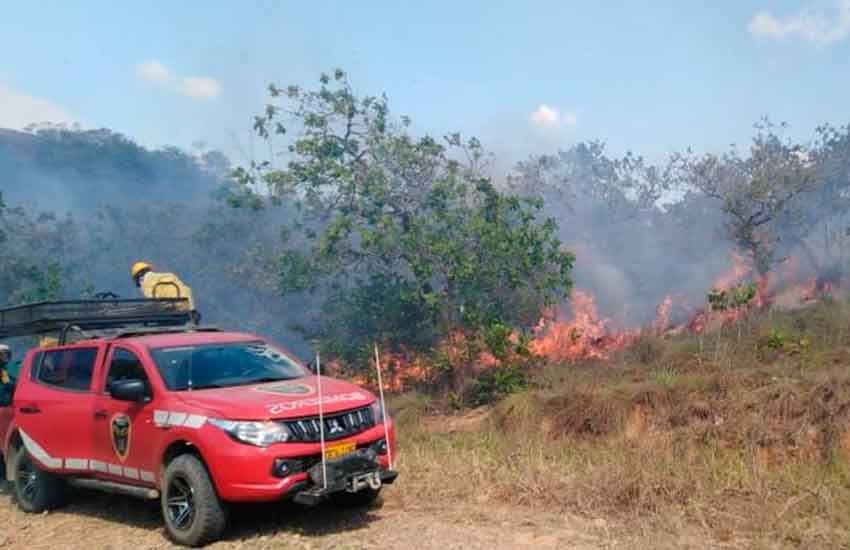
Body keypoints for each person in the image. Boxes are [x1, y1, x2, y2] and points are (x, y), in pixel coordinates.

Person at [131, 262, 199, 322]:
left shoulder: (145, 283)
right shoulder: (169, 275)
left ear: (138, 277)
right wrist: (192, 309)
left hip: (169, 311)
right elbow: (186, 290)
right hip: (184, 308)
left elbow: (153, 300)